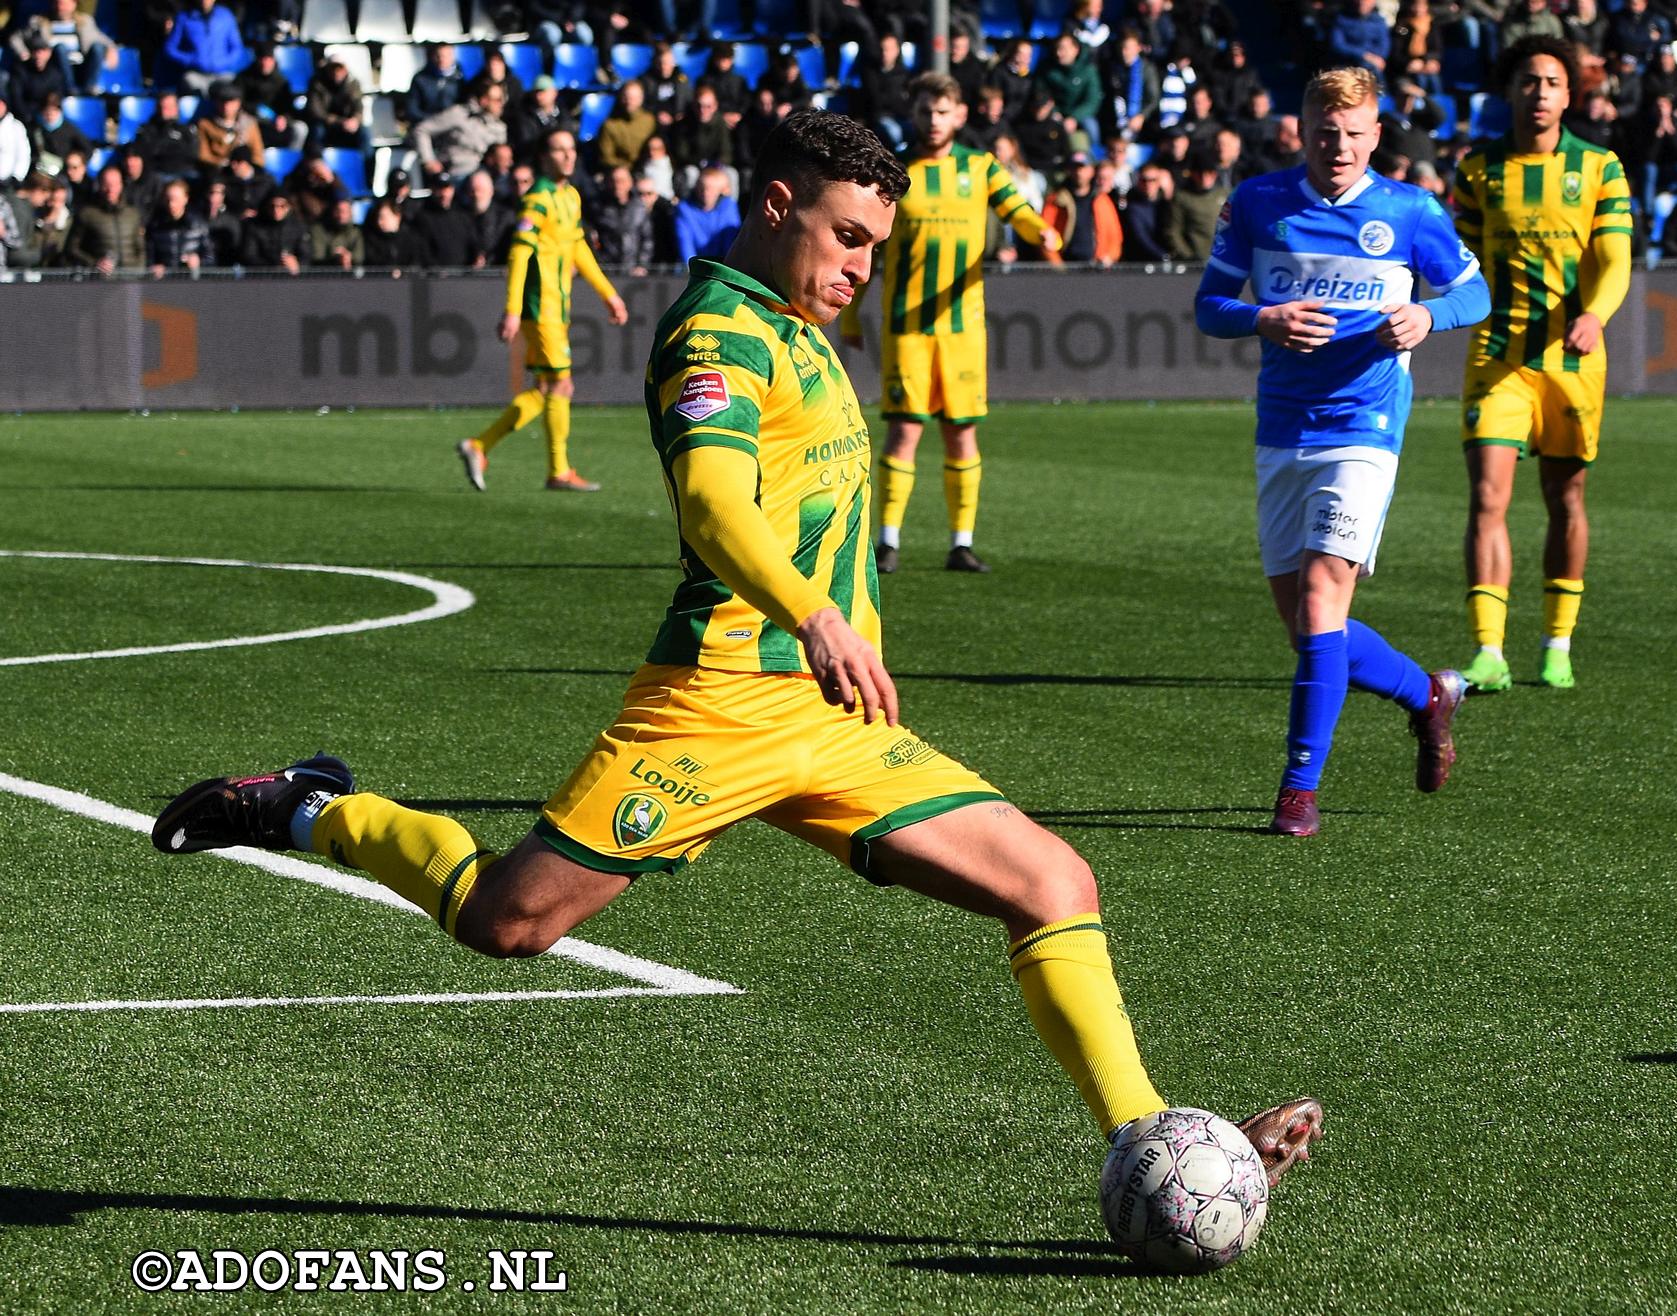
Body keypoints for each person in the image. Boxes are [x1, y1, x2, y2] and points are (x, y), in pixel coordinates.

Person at [148, 109, 1326, 1188]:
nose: (864, 265)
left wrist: (830, 634)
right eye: (848, 236)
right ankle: (311, 808)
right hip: (716, 702)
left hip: (836, 718)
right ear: (775, 207)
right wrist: (810, 610)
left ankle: (1158, 1147)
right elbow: (715, 505)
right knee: (510, 921)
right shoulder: (715, 330)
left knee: (1056, 882)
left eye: (876, 243)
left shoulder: (807, 332)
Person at [1192, 67, 1486, 839]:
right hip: (1283, 429)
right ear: (1304, 128)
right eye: (1327, 132)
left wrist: (1428, 316)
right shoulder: (1259, 204)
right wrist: (1263, 318)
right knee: (1308, 631)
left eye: (1356, 134)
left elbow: (1474, 293)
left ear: (1377, 135)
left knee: (1324, 602)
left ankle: (1297, 792)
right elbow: (1210, 306)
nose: (1341, 147)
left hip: (1364, 431)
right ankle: (1429, 694)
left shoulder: (1411, 210)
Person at [1451, 36, 1634, 693]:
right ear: (1509, 91)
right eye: (1528, 81)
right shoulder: (1477, 171)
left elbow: (1615, 259)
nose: (1539, 94)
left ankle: (1557, 643)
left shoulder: (1601, 168)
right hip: (1497, 357)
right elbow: (1460, 268)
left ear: (1568, 94)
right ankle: (1488, 651)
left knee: (1566, 497)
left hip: (1574, 359)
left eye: (1551, 82)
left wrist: (1597, 314)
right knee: (1487, 498)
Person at [843, 74, 1058, 576]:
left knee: (962, 433)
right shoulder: (893, 172)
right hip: (907, 327)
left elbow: (1018, 212)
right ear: (914, 115)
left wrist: (1040, 232)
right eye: (924, 111)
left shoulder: (980, 167)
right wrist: (852, 314)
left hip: (963, 328)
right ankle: (888, 542)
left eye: (942, 112)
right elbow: (865, 245)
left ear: (960, 116)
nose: (933, 121)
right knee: (904, 431)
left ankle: (962, 543)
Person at [457, 129, 628, 495]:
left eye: (571, 149)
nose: (568, 156)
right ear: (544, 157)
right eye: (559, 150)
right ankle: (558, 470)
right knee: (561, 385)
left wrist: (608, 294)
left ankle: (479, 446)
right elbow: (518, 254)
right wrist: (512, 310)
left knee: (547, 387)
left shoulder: (570, 196)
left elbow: (578, 248)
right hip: (541, 307)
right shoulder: (537, 199)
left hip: (558, 306)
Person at [411, 82, 511, 184]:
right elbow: (422, 130)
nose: (501, 104)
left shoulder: (499, 127)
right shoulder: (459, 114)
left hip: (486, 178)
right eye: (497, 100)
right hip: (455, 174)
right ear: (484, 100)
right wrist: (429, 160)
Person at [66, 161, 145, 274]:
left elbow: (140, 249)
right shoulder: (87, 214)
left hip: (130, 281)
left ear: (121, 185)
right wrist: (94, 263)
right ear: (99, 185)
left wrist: (138, 270)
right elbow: (72, 249)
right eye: (106, 184)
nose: (110, 189)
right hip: (101, 283)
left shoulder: (132, 214)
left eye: (114, 184)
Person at [166, 0, 250, 95]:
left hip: (223, 74)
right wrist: (190, 59)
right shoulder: (184, 18)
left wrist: (225, 62)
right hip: (196, 74)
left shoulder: (226, 16)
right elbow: (170, 48)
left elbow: (237, 47)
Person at [674, 164, 742, 262]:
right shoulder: (684, 208)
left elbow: (731, 241)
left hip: (721, 265)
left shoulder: (729, 206)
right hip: (693, 267)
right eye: (702, 188)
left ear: (720, 190)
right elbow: (684, 243)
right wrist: (691, 267)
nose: (706, 193)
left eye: (711, 188)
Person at [146, 177, 212, 274]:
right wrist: (154, 267)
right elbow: (149, 256)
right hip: (165, 283)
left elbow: (210, 257)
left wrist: (198, 261)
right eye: (167, 199)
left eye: (175, 199)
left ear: (185, 199)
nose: (171, 204)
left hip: (191, 282)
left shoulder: (199, 224)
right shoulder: (156, 226)